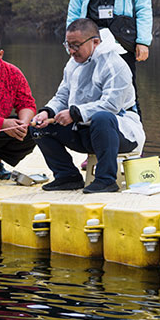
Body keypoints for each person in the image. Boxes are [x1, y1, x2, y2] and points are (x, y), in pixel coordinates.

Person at [32, 19, 145, 194]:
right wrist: (47, 112)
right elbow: (62, 96)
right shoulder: (73, 63)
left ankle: (106, 180)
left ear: (95, 42)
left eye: (76, 45)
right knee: (39, 128)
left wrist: (74, 114)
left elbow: (111, 106)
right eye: (68, 45)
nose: (71, 51)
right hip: (85, 130)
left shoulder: (115, 65)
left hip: (120, 133)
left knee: (102, 118)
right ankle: (67, 176)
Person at [0, 34, 37, 179]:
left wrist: (23, 125)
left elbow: (26, 103)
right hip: (0, 124)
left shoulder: (12, 72)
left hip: (0, 128)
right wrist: (3, 123)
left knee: (33, 131)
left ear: (0, 54)